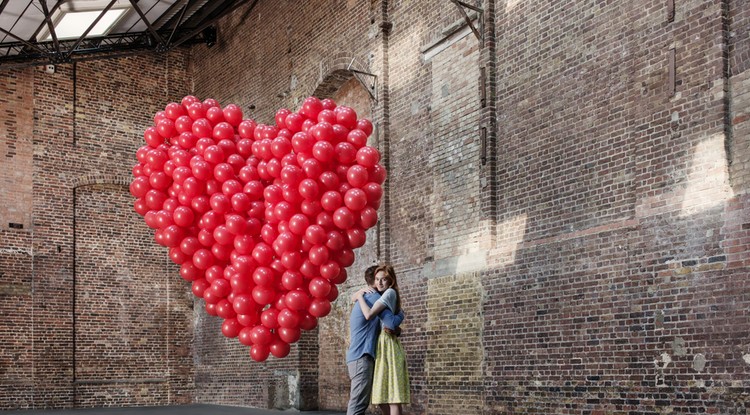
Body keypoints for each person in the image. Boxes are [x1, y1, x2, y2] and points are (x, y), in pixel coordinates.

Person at [346, 265, 404, 415]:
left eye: (383, 279)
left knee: (374, 399)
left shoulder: (364, 297)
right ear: (374, 282)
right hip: (362, 357)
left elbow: (387, 326)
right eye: (378, 279)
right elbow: (390, 322)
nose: (380, 283)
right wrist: (401, 315)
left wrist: (357, 295)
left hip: (359, 357)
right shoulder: (375, 297)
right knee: (358, 405)